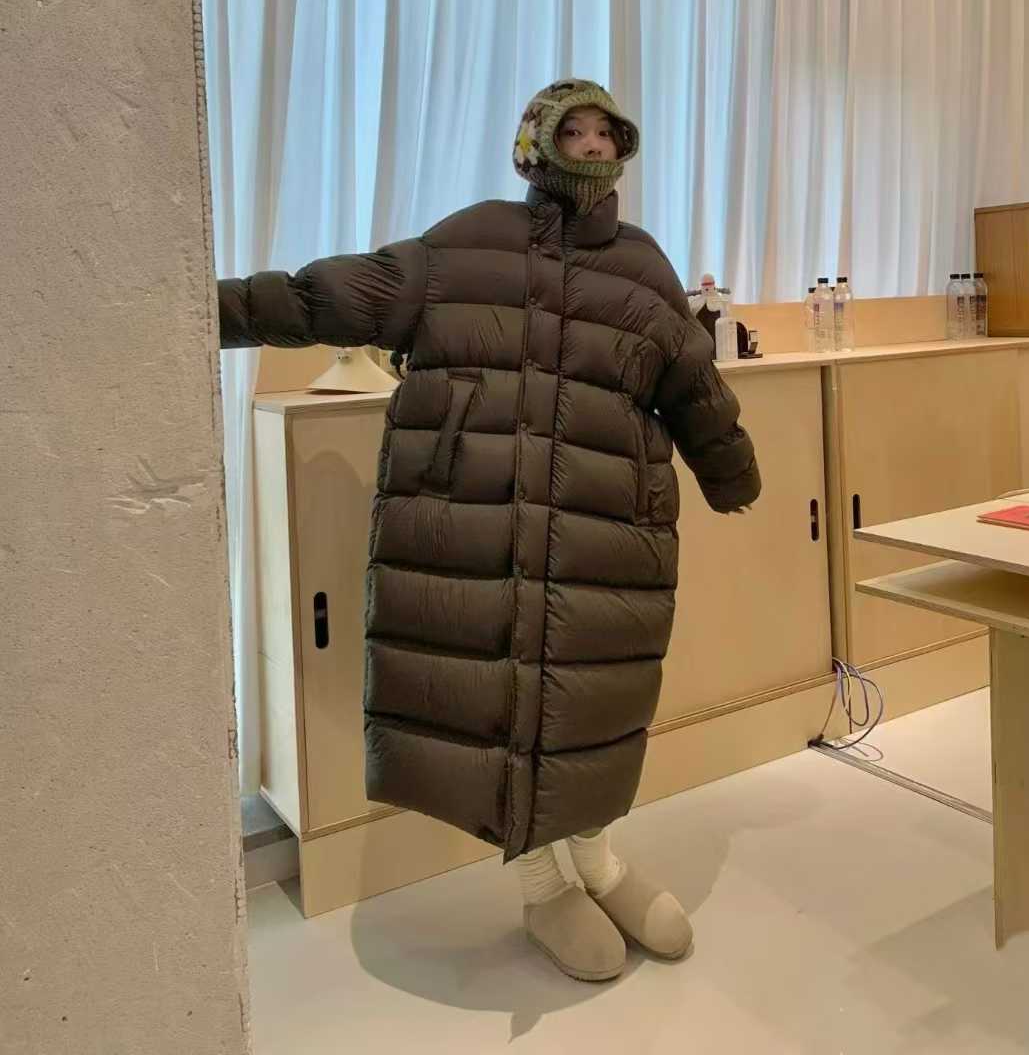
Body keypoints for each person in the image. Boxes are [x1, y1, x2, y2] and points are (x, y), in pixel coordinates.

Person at [218, 78, 760, 981]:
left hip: (605, 532)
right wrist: (198, 304)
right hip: (478, 522)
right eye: (573, 131)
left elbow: (693, 383)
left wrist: (731, 470)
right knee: (496, 703)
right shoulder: (465, 244)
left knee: (594, 705)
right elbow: (325, 298)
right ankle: (544, 886)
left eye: (607, 133)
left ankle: (599, 864)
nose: (592, 146)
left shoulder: (643, 268)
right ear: (535, 145)